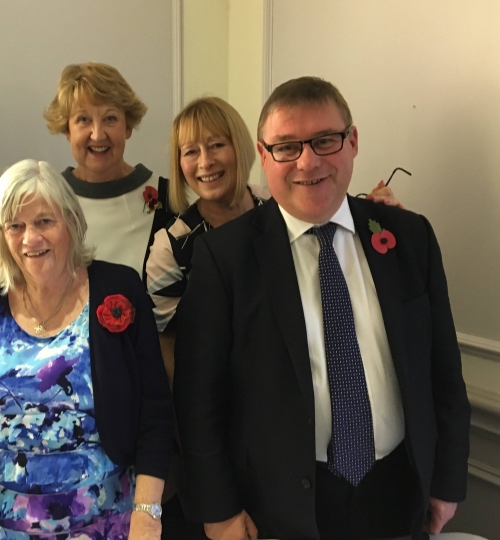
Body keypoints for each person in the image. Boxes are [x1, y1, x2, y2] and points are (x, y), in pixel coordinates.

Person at [173, 77, 471, 540]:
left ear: (352, 142)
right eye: (287, 147)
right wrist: (219, 510)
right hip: (278, 506)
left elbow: (444, 372)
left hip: (399, 490)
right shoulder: (224, 258)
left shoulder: (409, 238)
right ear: (264, 153)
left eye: (325, 141)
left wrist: (447, 482)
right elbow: (198, 402)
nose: (308, 162)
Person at [146, 96, 403, 539]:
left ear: (247, 150)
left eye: (217, 145)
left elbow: (325, 213)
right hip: (250, 445)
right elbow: (179, 367)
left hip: (353, 459)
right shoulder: (176, 245)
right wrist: (213, 485)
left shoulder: (278, 203)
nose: (205, 162)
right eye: (190, 151)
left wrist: (373, 212)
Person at [0, 159, 173, 539]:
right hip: (0, 529)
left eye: (44, 221)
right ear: (0, 233)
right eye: (15, 225)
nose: (31, 238)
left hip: (106, 525)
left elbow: (154, 417)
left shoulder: (118, 289)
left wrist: (148, 515)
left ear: (71, 223)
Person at [44, 62, 174, 276]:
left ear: (128, 127)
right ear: (66, 130)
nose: (97, 135)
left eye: (110, 119)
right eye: (83, 120)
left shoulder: (169, 198)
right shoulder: (45, 199)